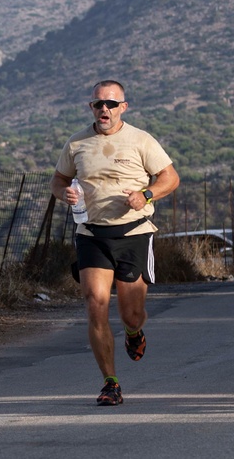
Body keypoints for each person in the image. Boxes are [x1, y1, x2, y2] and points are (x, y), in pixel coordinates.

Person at [50, 80, 179, 406]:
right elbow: (59, 179)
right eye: (97, 104)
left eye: (110, 104)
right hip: (91, 234)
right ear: (91, 107)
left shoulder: (140, 140)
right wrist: (62, 194)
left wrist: (146, 194)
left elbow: (170, 178)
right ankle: (111, 382)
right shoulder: (77, 143)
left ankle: (134, 333)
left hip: (134, 234)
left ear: (123, 107)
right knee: (95, 304)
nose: (103, 109)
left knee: (131, 314)